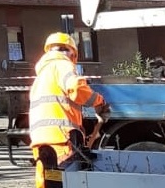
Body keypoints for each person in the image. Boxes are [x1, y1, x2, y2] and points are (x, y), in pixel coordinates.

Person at [29, 32, 109, 188]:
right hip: (61, 138)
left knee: (46, 182)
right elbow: (77, 89)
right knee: (64, 181)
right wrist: (99, 101)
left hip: (41, 140)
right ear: (72, 52)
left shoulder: (41, 76)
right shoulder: (62, 64)